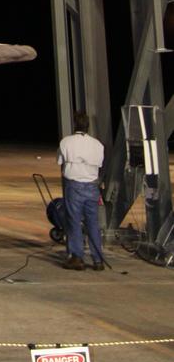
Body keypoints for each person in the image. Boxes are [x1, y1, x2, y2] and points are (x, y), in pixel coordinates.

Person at [57, 110, 105, 271]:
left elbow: (59, 161)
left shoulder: (66, 142)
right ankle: (98, 259)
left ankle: (76, 257)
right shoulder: (97, 144)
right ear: (88, 126)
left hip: (74, 185)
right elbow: (100, 164)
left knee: (74, 221)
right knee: (93, 222)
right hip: (92, 186)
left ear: (75, 124)